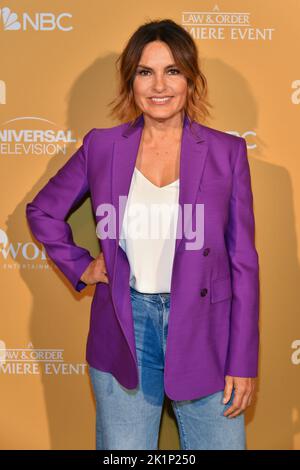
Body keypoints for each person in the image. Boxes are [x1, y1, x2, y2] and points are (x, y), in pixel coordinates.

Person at [26, 19, 260, 450]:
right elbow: (42, 210)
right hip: (125, 327)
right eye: (145, 71)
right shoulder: (102, 146)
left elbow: (243, 261)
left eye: (172, 71)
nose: (159, 85)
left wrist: (243, 360)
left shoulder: (227, 153)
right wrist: (83, 266)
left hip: (207, 332)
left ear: (191, 78)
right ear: (130, 80)